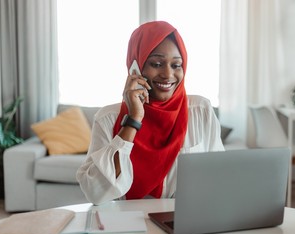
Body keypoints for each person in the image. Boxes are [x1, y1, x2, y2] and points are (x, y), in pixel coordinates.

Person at [76, 21, 224, 205]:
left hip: (182, 222)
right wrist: (133, 120)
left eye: (176, 65)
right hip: (124, 224)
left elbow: (219, 179)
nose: (168, 74)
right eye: (156, 63)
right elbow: (95, 193)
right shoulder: (107, 118)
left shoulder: (200, 111)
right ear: (135, 67)